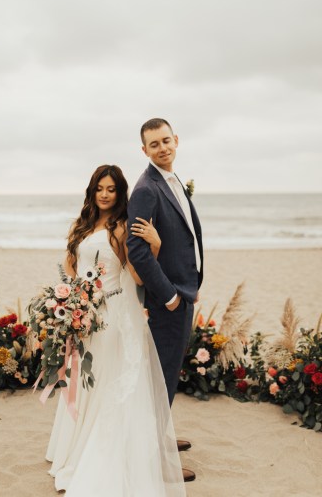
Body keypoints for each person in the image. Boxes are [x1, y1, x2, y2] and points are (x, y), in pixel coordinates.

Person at [45, 164, 186, 496]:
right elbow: (71, 268)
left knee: (107, 378)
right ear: (92, 191)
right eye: (100, 189)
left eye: (111, 189)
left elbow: (138, 276)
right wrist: (67, 303)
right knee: (83, 379)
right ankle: (74, 444)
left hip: (113, 313)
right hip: (82, 314)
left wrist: (154, 245)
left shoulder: (122, 228)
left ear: (120, 194)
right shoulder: (81, 226)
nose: (105, 194)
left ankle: (104, 446)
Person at [127, 118, 204, 482]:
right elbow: (137, 252)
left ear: (177, 141)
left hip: (184, 291)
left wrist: (191, 281)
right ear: (144, 151)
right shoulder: (146, 189)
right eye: (154, 144)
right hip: (167, 301)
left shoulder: (171, 181)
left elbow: (183, 237)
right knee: (160, 379)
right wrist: (171, 296)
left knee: (168, 375)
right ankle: (156, 459)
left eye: (166, 140)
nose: (162, 148)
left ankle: (162, 438)